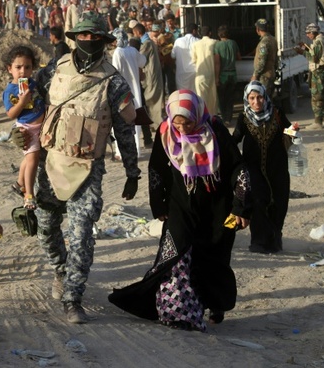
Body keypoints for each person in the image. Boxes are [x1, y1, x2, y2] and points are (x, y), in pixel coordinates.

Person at [108, 89, 252, 331]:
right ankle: (179, 313)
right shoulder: (165, 133)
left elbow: (239, 169)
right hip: (180, 207)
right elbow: (157, 169)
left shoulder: (215, 130)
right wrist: (158, 204)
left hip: (222, 211)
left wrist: (241, 208)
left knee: (216, 256)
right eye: (178, 124)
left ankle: (214, 303)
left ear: (197, 116)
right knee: (175, 257)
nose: (183, 129)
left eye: (187, 123)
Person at [31, 12, 141, 324]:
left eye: (95, 37)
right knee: (46, 229)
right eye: (84, 36)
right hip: (51, 163)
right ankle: (61, 269)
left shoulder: (114, 81)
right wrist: (26, 130)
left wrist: (132, 172)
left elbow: (124, 129)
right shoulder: (55, 68)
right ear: (75, 38)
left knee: (81, 234)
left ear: (105, 42)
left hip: (88, 168)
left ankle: (73, 297)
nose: (89, 41)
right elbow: (33, 97)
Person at [233, 81, 293, 254]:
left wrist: (294, 131)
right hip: (254, 169)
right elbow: (236, 137)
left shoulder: (277, 113)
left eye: (259, 97)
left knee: (279, 203)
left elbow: (289, 131)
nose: (256, 102)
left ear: (264, 97)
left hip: (278, 169)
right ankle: (258, 242)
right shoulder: (244, 117)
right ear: (247, 99)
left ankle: (275, 239)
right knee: (258, 202)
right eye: (252, 98)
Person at [2, 45, 46, 209]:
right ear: (9, 69)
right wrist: (21, 102)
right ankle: (29, 194)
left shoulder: (33, 83)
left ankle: (20, 183)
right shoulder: (11, 91)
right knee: (33, 160)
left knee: (28, 160)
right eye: (18, 67)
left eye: (27, 67)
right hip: (27, 129)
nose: (23, 71)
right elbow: (11, 114)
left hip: (42, 126)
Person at [111, 28, 146, 158]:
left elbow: (116, 72)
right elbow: (143, 62)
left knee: (120, 121)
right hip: (135, 90)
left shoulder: (118, 53)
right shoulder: (133, 50)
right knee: (135, 119)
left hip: (122, 92)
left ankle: (121, 152)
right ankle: (136, 149)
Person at [133, 23, 164, 146]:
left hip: (151, 77)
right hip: (152, 76)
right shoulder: (149, 42)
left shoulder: (146, 44)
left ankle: (158, 126)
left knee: (152, 102)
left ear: (137, 33)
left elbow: (140, 59)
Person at [295, 23, 324, 129]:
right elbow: (316, 54)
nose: (307, 35)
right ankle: (323, 119)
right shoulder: (320, 39)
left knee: (317, 97)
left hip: (319, 73)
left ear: (313, 32)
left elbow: (315, 58)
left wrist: (302, 52)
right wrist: (306, 48)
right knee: (321, 96)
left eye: (308, 33)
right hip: (320, 72)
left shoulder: (319, 41)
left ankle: (318, 122)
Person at [214, 25, 241, 124]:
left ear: (218, 34)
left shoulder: (217, 45)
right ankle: (228, 119)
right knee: (230, 98)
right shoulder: (233, 43)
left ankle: (224, 117)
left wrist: (217, 78)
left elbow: (217, 63)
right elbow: (239, 57)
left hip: (223, 76)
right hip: (233, 75)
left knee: (222, 98)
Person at [191, 25, 218, 116]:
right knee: (212, 96)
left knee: (201, 96)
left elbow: (193, 60)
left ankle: (203, 115)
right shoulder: (215, 42)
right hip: (211, 73)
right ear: (210, 33)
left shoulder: (196, 44)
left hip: (200, 74)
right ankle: (212, 115)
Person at [251, 18, 277, 98]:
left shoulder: (264, 43)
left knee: (263, 99)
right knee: (268, 99)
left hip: (264, 76)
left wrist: (255, 75)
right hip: (271, 73)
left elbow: (262, 61)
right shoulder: (273, 39)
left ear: (258, 29)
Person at [171, 23, 199, 90]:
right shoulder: (198, 41)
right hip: (194, 73)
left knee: (183, 96)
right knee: (194, 96)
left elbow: (172, 55)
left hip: (181, 74)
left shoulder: (178, 41)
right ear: (194, 31)